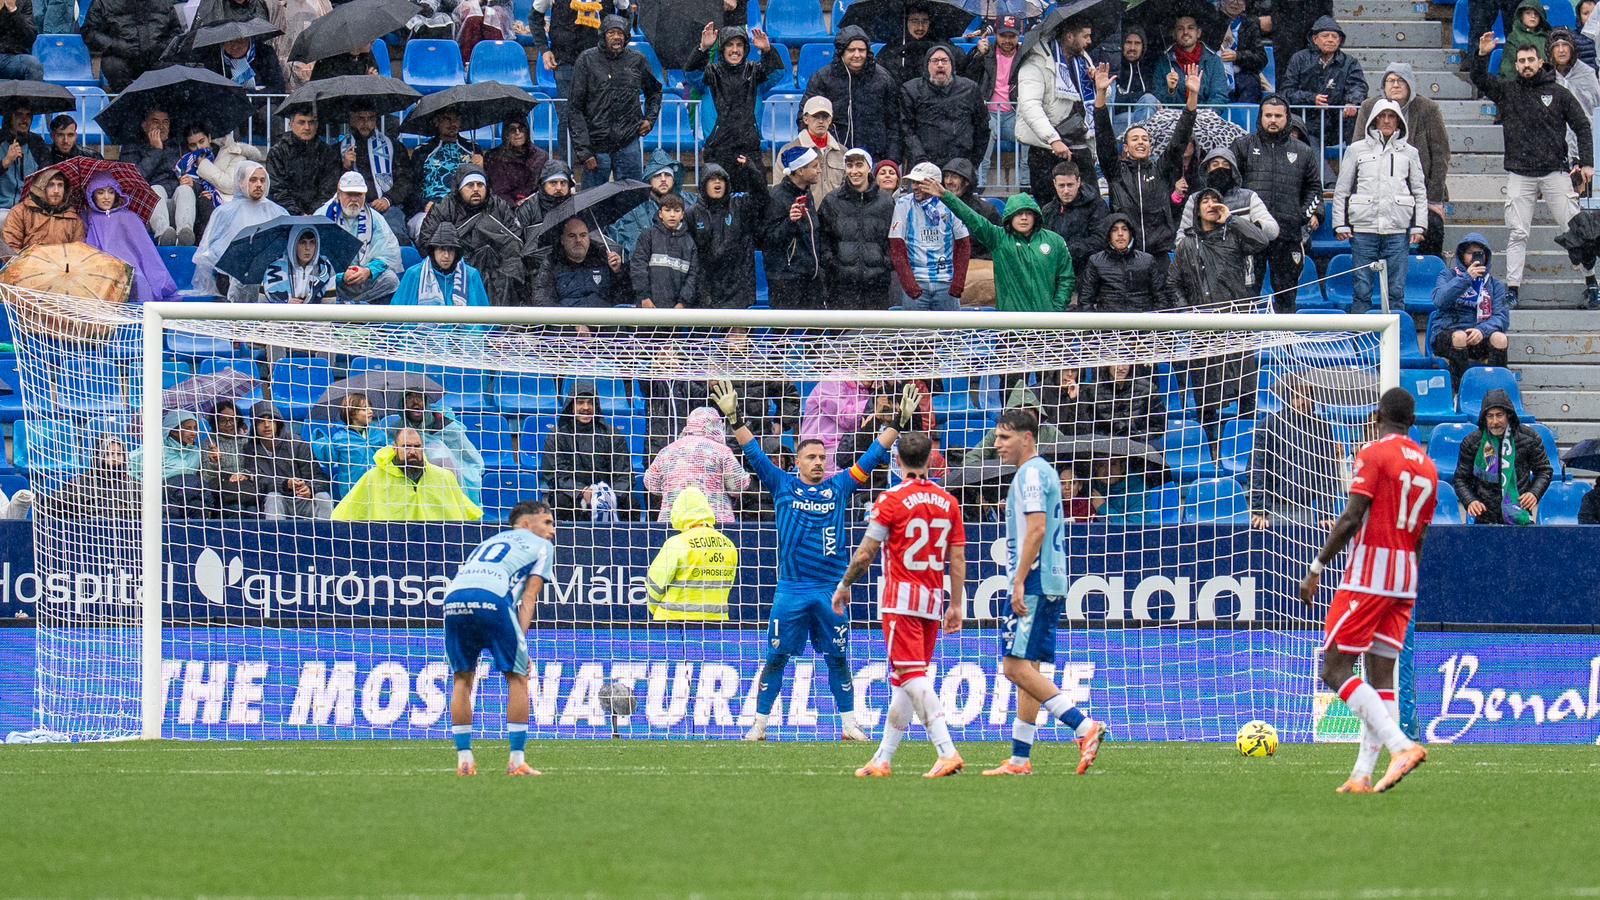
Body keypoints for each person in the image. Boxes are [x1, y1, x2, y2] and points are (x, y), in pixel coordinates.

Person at [710, 379, 920, 743]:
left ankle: (849, 724)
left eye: (822, 457)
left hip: (831, 590)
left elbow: (871, 455)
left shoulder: (840, 485)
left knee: (837, 658)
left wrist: (897, 423)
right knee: (776, 658)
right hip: (791, 589)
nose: (819, 462)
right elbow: (754, 452)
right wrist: (733, 417)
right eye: (811, 457)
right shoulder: (782, 484)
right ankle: (759, 725)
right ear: (798, 461)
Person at [1298, 388, 1433, 794]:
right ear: (1412, 422)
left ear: (1377, 415)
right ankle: (1362, 774)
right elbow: (1422, 534)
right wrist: (1406, 579)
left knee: (1334, 669)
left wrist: (1317, 566)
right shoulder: (1427, 465)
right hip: (1406, 575)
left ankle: (1400, 745)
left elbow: (1353, 515)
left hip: (1370, 574)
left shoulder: (1374, 453)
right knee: (1381, 676)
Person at [833, 431, 967, 779]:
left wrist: (845, 584)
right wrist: (956, 603)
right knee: (903, 682)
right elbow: (957, 555)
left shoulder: (891, 499)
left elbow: (865, 552)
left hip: (901, 601)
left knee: (911, 677)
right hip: (933, 601)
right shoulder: (948, 502)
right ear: (929, 460)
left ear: (897, 460)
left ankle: (946, 751)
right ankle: (882, 758)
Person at [985, 407, 1106, 776]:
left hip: (1035, 581)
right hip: (1050, 579)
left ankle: (1084, 727)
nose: (996, 444)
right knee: (1029, 667)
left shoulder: (1031, 473)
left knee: (1013, 667)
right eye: (996, 437)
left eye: (1004, 437)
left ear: (1027, 438)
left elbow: (1036, 529)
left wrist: (1019, 580)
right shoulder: (1043, 472)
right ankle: (1020, 759)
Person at [1472, 30, 1596, 308]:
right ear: (1516, 65)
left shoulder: (1559, 92)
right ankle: (1513, 289)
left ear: (1541, 62)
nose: (1526, 65)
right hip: (1520, 174)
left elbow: (1583, 125)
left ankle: (1592, 284)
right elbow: (1479, 79)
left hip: (1555, 172)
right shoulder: (1507, 91)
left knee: (1577, 230)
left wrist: (1586, 163)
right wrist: (1482, 55)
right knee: (1517, 232)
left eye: (1531, 60)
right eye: (1521, 61)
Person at [441, 500, 556, 776]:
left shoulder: (490, 541)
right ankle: (517, 761)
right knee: (518, 676)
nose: (553, 530)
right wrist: (522, 645)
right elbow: (528, 599)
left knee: (462, 679)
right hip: (491, 599)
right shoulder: (543, 546)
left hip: (453, 600)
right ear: (527, 524)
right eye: (548, 523)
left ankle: (465, 760)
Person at [1332, 100, 1427, 313]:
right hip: (1363, 230)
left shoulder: (1410, 152)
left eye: (1391, 116)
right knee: (1362, 289)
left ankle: (1397, 342)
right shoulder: (1356, 150)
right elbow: (1342, 190)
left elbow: (1419, 192)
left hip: (1397, 230)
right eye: (1382, 116)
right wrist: (1340, 224)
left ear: (1398, 121)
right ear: (1374, 119)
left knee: (1396, 290)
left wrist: (1419, 226)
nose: (1386, 120)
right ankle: (1360, 340)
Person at [1094, 60, 1195, 257]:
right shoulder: (1116, 172)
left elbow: (1179, 140)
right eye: (1135, 139)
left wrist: (1192, 98)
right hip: (1125, 254)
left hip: (1158, 254)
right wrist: (1100, 96)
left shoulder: (1160, 169)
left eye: (1145, 139)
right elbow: (1104, 138)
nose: (1141, 142)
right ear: (1125, 148)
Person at [1229, 96, 1322, 312]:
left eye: (1278, 116)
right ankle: (1245, 346)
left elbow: (1314, 190)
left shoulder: (1303, 151)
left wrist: (1300, 216)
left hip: (1288, 237)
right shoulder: (1242, 146)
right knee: (1246, 299)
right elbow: (1230, 186)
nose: (1273, 120)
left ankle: (1287, 345)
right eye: (1268, 115)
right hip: (1250, 236)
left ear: (1287, 118)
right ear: (1260, 117)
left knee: (1287, 298)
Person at [1352, 63, 1450, 258]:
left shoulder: (1428, 109)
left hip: (1418, 193)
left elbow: (1440, 155)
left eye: (1401, 80)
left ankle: (1427, 277)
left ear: (1411, 84)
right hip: (1377, 192)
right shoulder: (1368, 107)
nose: (1395, 85)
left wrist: (1433, 199)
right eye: (1390, 80)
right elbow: (1358, 153)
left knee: (1433, 227)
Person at [933, 181, 1073, 312]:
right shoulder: (998, 238)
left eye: (1028, 213)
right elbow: (972, 218)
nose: (1024, 217)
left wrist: (1056, 309)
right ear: (1010, 217)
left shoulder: (1055, 241)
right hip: (1010, 325)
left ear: (1035, 216)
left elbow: (1066, 278)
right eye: (1018, 213)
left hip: (1047, 326)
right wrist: (946, 196)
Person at [569, 15, 661, 187]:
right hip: (596, 146)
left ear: (627, 37)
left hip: (628, 143)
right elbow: (575, 109)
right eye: (612, 32)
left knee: (633, 201)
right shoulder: (586, 60)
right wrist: (584, 152)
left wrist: (650, 118)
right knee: (592, 204)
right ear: (603, 35)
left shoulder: (637, 60)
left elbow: (655, 92)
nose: (617, 37)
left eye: (621, 33)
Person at [1016, 13, 1096, 205]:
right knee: (1050, 211)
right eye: (1085, 36)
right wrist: (1053, 139)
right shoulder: (1035, 63)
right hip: (1046, 150)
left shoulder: (1083, 60)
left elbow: (1097, 98)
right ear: (1069, 37)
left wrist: (1098, 83)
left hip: (1080, 147)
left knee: (1091, 206)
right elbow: (1029, 107)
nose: (1089, 41)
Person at [1249, 375, 1347, 529]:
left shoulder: (1322, 428)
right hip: (1272, 510)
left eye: (1306, 396)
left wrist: (1325, 513)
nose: (1302, 402)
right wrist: (1259, 509)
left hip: (1305, 509)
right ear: (1289, 397)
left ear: (1313, 399)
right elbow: (1257, 468)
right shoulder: (1269, 424)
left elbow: (1328, 472)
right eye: (1297, 396)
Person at [419, 166, 526, 305]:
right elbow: (426, 242)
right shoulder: (444, 207)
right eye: (470, 185)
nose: (476, 189)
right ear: (459, 189)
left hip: (498, 263)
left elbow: (515, 240)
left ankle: (503, 323)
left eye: (480, 185)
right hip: (458, 262)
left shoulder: (499, 205)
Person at [528, 0, 630, 144]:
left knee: (600, 114)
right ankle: (566, 163)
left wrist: (617, 44)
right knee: (567, 116)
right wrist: (544, 49)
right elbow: (534, 17)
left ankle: (597, 163)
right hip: (564, 61)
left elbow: (626, 13)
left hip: (602, 61)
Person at [331, 426, 484, 521]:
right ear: (394, 448)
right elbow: (342, 516)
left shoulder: (444, 477)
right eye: (406, 446)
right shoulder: (373, 478)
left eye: (416, 446)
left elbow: (466, 514)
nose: (412, 451)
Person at [801, 25, 902, 167]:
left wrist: (892, 160)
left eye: (861, 50)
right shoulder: (822, 78)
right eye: (851, 50)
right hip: (833, 157)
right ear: (841, 52)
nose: (857, 55)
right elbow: (804, 118)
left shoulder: (884, 79)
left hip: (875, 157)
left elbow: (894, 123)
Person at [687, 22, 781, 173]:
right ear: (722, 49)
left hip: (750, 150)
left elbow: (777, 73)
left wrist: (767, 50)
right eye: (729, 45)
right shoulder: (711, 73)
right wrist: (702, 48)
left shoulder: (755, 72)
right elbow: (691, 73)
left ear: (745, 49)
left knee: (756, 195)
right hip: (717, 149)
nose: (735, 50)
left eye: (739, 45)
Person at [1454, 389, 1553, 526]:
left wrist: (1534, 493)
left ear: (1509, 415)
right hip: (1485, 519)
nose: (1494, 421)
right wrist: (1470, 500)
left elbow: (1544, 470)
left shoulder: (1529, 438)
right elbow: (1461, 478)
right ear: (1484, 418)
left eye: (1499, 415)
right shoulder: (1472, 442)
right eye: (1490, 416)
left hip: (1520, 517)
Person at [541, 380, 634, 521]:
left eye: (590, 402)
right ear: (571, 405)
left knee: (631, 502)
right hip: (572, 497)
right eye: (580, 402)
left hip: (608, 496)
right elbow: (555, 476)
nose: (586, 407)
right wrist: (582, 491)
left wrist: (606, 496)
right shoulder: (557, 436)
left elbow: (624, 474)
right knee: (560, 500)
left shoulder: (612, 434)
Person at [192, 161, 288, 297]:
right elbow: (209, 250)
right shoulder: (225, 212)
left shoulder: (278, 212)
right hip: (229, 277)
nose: (259, 184)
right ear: (241, 182)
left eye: (262, 180)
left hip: (271, 277)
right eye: (253, 180)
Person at [645, 485, 739, 622]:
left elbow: (654, 585)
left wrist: (656, 611)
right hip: (716, 623)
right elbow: (727, 586)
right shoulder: (728, 545)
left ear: (678, 512)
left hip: (671, 623)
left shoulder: (677, 544)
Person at [82, 172, 180, 303]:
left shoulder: (129, 217)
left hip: (131, 270)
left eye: (111, 192)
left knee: (138, 281)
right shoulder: (88, 218)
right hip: (100, 270)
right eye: (100, 192)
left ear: (116, 193)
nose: (106, 197)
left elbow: (146, 253)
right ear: (92, 195)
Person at [375, 390, 487, 503]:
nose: (416, 403)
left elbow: (468, 456)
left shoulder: (444, 424)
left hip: (446, 483)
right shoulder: (397, 428)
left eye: (420, 398)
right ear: (402, 405)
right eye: (409, 399)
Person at [643, 407, 750, 524]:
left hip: (673, 521)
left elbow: (651, 483)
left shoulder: (667, 451)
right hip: (714, 522)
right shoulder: (721, 451)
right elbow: (738, 486)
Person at [1431, 234, 1513, 385]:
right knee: (1460, 336)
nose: (1475, 257)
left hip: (1479, 336)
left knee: (1500, 338)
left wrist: (1482, 331)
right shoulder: (1448, 275)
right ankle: (1461, 390)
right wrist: (1466, 279)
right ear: (1462, 255)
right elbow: (1439, 300)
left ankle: (1496, 390)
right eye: (1470, 252)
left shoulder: (1495, 285)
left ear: (1486, 257)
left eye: (1479, 253)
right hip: (1448, 333)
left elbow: (1502, 317)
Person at [818, 148, 895, 310]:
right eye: (850, 166)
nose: (854, 171)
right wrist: (833, 265)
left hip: (877, 286)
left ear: (869, 168)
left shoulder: (886, 202)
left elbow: (893, 240)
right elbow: (823, 240)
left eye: (859, 165)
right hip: (841, 287)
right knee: (843, 335)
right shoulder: (831, 201)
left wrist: (885, 263)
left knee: (875, 335)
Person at [889, 162, 972, 311]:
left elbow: (963, 245)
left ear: (934, 183)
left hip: (946, 283)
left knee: (949, 334)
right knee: (915, 334)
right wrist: (909, 284)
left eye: (920, 183)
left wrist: (958, 283)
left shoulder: (951, 203)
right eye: (913, 182)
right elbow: (897, 246)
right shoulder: (903, 204)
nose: (914, 187)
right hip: (916, 282)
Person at [690, 158, 768, 308]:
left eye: (721, 179)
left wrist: (751, 170)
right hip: (707, 288)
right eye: (712, 179)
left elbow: (761, 197)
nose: (717, 183)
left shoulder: (739, 206)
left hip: (738, 288)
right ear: (703, 184)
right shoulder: (692, 213)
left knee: (736, 331)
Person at [118, 109, 202, 246]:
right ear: (144, 126)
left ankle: (185, 234)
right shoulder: (132, 147)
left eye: (165, 122)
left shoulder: (180, 146)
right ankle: (163, 235)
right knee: (156, 189)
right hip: (149, 206)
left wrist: (193, 183)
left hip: (178, 203)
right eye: (155, 122)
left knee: (185, 190)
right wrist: (156, 150)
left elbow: (199, 178)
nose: (161, 126)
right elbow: (132, 180)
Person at [1278, 16, 1367, 146]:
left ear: (1340, 40)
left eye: (1334, 36)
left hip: (1337, 122)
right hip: (1307, 122)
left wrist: (1352, 102)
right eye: (1325, 36)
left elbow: (1358, 86)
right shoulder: (1299, 59)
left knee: (1355, 124)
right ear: (1315, 39)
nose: (1330, 40)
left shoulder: (1350, 62)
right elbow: (1286, 92)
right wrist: (1312, 98)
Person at [316, 172, 402, 304]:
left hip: (363, 279)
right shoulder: (322, 217)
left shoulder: (375, 218)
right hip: (335, 281)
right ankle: (350, 307)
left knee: (391, 280)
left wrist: (368, 271)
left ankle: (350, 306)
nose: (354, 199)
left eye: (358, 194)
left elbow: (388, 255)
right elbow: (314, 261)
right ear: (339, 193)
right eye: (349, 194)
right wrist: (341, 277)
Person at [900, 43, 989, 171]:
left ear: (952, 65)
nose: (940, 65)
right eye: (935, 61)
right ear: (927, 65)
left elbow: (982, 128)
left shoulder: (970, 89)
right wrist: (920, 159)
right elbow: (906, 130)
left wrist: (973, 162)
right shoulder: (911, 90)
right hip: (924, 164)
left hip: (960, 165)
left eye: (944, 61)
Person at [962, 15, 1023, 188]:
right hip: (988, 112)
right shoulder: (986, 52)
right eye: (1003, 35)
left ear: (1019, 35)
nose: (1007, 40)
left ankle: (1026, 183)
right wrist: (977, 55)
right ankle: (978, 186)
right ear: (996, 34)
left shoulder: (1026, 54)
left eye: (1012, 36)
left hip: (1014, 114)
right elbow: (967, 77)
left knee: (1030, 131)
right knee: (987, 131)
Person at [245, 401, 333, 519]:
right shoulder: (249, 449)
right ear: (254, 425)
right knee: (273, 497)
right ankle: (276, 536)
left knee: (323, 497)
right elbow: (257, 483)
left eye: (271, 419)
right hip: (275, 503)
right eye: (261, 421)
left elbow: (320, 478)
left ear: (278, 422)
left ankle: (326, 536)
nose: (266, 425)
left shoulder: (298, 444)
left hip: (303, 500)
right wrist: (285, 484)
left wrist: (310, 489)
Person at [761, 146, 825, 310]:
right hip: (786, 279)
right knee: (783, 333)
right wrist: (790, 222)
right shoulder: (777, 197)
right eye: (815, 166)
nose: (819, 171)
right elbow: (768, 239)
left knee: (814, 333)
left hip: (809, 276)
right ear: (800, 170)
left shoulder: (806, 194)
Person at [340, 104, 412, 243]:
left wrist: (388, 199)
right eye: (361, 118)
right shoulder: (339, 149)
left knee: (396, 236)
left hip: (389, 208)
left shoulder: (394, 146)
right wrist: (345, 167)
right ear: (352, 120)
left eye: (370, 118)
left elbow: (405, 180)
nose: (366, 124)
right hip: (352, 208)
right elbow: (331, 185)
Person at [405, 110, 482, 236]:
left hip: (465, 209)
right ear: (436, 121)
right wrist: (424, 204)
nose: (453, 123)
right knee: (423, 228)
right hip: (430, 209)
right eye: (447, 118)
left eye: (456, 119)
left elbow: (484, 187)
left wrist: (481, 170)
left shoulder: (473, 149)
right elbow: (411, 188)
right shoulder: (423, 151)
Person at [1078, 214, 1176, 312]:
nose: (1120, 234)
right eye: (1114, 230)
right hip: (1108, 324)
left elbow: (1161, 298)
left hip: (1143, 323)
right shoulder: (1096, 261)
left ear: (1130, 233)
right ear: (1108, 234)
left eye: (1124, 229)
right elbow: (1086, 301)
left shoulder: (1147, 261)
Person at [609, 149, 697, 257]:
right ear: (649, 180)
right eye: (657, 175)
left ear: (674, 180)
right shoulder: (636, 208)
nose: (663, 179)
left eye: (667, 175)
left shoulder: (690, 201)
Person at [82, 0, 183, 91]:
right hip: (121, 57)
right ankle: (127, 102)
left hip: (157, 58)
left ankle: (161, 105)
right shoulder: (103, 2)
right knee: (112, 65)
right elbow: (89, 32)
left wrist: (162, 47)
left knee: (175, 67)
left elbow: (176, 32)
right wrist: (117, 46)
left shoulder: (163, 2)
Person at [532, 216, 628, 307]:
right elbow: (542, 301)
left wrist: (619, 272)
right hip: (567, 321)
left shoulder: (604, 259)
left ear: (589, 238)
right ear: (562, 240)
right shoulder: (551, 263)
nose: (578, 240)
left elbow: (625, 297)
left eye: (583, 235)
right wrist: (571, 324)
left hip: (604, 322)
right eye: (572, 236)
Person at [127, 409, 207, 517]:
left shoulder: (197, 452)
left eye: (195, 428)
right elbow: (131, 467)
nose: (194, 433)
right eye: (188, 428)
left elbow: (205, 478)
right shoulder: (156, 448)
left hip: (189, 500)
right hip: (162, 501)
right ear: (173, 430)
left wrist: (214, 463)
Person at [393, 222, 493, 307]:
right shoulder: (414, 274)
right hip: (421, 330)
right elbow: (394, 318)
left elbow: (484, 322)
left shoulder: (471, 275)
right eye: (441, 249)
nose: (446, 255)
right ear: (433, 251)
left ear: (456, 253)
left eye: (451, 250)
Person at [1039, 159, 1108, 282]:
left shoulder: (1096, 205)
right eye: (1061, 185)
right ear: (1054, 184)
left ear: (1078, 182)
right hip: (1056, 274)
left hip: (1088, 273)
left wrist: (1066, 251)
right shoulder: (1048, 210)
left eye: (1070, 185)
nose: (1066, 190)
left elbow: (1100, 240)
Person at [773, 96, 848, 207]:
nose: (821, 121)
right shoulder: (789, 151)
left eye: (825, 116)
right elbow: (778, 189)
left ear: (830, 120)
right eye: (816, 116)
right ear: (805, 119)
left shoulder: (842, 152)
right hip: (803, 217)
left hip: (835, 218)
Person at [1548, 30, 1600, 189]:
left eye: (1565, 45)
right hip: (1555, 142)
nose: (1561, 50)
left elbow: (1596, 108)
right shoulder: (1545, 76)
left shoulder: (1587, 74)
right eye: (1557, 46)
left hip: (1585, 138)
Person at [43, 434, 136, 521]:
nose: (115, 458)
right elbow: (49, 506)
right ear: (100, 457)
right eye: (109, 454)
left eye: (119, 454)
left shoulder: (134, 486)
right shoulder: (80, 484)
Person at [267, 110, 342, 216]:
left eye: (311, 122)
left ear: (317, 125)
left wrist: (314, 212)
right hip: (285, 215)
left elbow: (329, 189)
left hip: (319, 215)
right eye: (301, 122)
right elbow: (277, 189)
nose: (307, 127)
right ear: (291, 124)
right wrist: (298, 213)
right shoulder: (278, 152)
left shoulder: (327, 152)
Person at [629, 194, 698, 309]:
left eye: (676, 211)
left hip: (677, 311)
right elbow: (638, 267)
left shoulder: (690, 243)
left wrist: (683, 302)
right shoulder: (648, 236)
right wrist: (644, 297)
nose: (672, 215)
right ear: (660, 214)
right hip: (648, 307)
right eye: (667, 210)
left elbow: (693, 276)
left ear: (682, 215)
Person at [314, 392, 386, 500]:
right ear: (352, 413)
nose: (370, 411)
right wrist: (320, 440)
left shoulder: (379, 434)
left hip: (378, 487)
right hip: (351, 490)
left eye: (370, 407)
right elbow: (329, 458)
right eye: (364, 408)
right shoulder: (340, 437)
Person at [1153, 15, 1229, 106]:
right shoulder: (1164, 61)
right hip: (1172, 117)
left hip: (1205, 118)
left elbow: (1219, 96)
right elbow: (1157, 97)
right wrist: (1170, 90)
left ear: (1198, 33)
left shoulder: (1213, 60)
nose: (1185, 32)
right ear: (1174, 34)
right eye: (1180, 29)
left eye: (1190, 28)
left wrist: (1199, 116)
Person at [3, 168, 84, 253]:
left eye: (60, 185)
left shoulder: (74, 219)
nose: (56, 191)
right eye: (50, 185)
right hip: (28, 264)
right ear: (41, 187)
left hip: (61, 265)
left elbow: (77, 252)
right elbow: (10, 247)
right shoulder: (21, 211)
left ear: (65, 190)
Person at [482, 118, 549, 208]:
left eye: (521, 129)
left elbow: (542, 187)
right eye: (512, 130)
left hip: (534, 207)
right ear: (506, 134)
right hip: (502, 208)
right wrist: (513, 205)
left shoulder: (541, 156)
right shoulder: (494, 157)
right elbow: (497, 189)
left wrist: (528, 203)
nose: (517, 133)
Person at [1089, 363, 1164, 443]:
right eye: (1116, 362)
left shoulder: (1147, 389)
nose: (1121, 368)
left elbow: (1159, 427)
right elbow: (1088, 428)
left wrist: (1135, 437)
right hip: (1104, 447)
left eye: (1125, 363)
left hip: (1138, 447)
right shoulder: (1093, 391)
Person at [262, 226, 337, 303]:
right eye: (302, 242)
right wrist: (284, 307)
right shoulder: (275, 268)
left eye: (312, 242)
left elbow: (330, 306)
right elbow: (262, 306)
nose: (308, 248)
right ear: (292, 243)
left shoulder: (325, 268)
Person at [1107, 23, 1158, 131]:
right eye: (1128, 43)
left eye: (1137, 43)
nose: (1132, 48)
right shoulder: (1114, 67)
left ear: (1143, 47)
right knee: (1147, 100)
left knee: (1149, 100)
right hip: (1117, 123)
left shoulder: (1148, 70)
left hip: (1143, 121)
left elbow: (1156, 99)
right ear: (1121, 45)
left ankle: (1141, 141)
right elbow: (1115, 103)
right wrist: (1141, 97)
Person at [198, 32, 288, 94]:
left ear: (249, 38)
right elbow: (210, 90)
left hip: (260, 109)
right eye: (229, 41)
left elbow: (278, 88)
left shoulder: (264, 53)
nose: (235, 46)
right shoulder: (214, 57)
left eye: (239, 40)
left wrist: (250, 95)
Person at [1216, 0, 1268, 104]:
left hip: (1243, 74)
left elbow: (1261, 58)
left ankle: (1244, 119)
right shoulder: (1213, 21)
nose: (1235, 2)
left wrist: (1238, 56)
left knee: (1250, 83)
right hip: (1216, 71)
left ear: (1245, 6)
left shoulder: (1250, 24)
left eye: (1240, 0)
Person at [876, 2, 940, 85]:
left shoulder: (938, 45)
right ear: (905, 23)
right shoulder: (891, 49)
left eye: (925, 21)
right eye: (915, 21)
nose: (920, 27)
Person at [1502, 0, 1551, 78]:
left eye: (1536, 14)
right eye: (1528, 13)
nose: (1533, 16)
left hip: (1547, 81)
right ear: (1521, 16)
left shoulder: (1548, 36)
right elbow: (1508, 69)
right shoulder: (1514, 38)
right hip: (1522, 83)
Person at [0, 0, 43, 82]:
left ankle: (30, 94)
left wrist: (13, 10)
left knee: (33, 65)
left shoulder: (24, 2)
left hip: (12, 58)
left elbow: (30, 37)